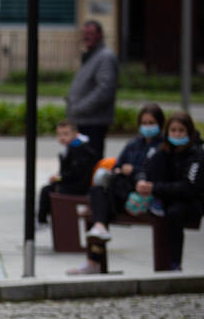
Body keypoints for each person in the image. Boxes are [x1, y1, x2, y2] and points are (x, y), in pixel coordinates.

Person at [67, 103, 165, 274]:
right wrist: (122, 170)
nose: (147, 126)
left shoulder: (162, 147)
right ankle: (99, 233)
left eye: (151, 123)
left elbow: (154, 173)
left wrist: (132, 171)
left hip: (143, 195)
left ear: (160, 123)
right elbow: (117, 166)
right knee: (98, 193)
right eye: (144, 122)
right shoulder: (134, 144)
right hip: (121, 194)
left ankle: (94, 259)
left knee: (100, 205)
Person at [135, 110, 204, 272]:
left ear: (189, 132)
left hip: (191, 202)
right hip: (165, 196)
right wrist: (142, 181)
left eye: (181, 131)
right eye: (173, 130)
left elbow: (188, 187)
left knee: (174, 213)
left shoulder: (197, 156)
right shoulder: (162, 150)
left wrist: (155, 189)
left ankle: (175, 263)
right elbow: (144, 166)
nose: (177, 135)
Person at [64, 20, 118, 158]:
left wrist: (81, 107)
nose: (86, 37)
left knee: (89, 164)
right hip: (82, 122)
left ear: (100, 35)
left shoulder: (105, 57)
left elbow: (105, 90)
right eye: (84, 33)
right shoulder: (91, 56)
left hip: (93, 123)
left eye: (91, 33)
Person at [36, 119, 98, 226]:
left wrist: (59, 178)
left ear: (75, 134)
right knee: (48, 189)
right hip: (73, 183)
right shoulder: (72, 147)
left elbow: (75, 173)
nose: (62, 137)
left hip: (79, 186)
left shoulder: (79, 149)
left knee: (47, 191)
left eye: (66, 134)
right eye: (59, 134)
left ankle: (43, 220)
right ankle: (47, 219)